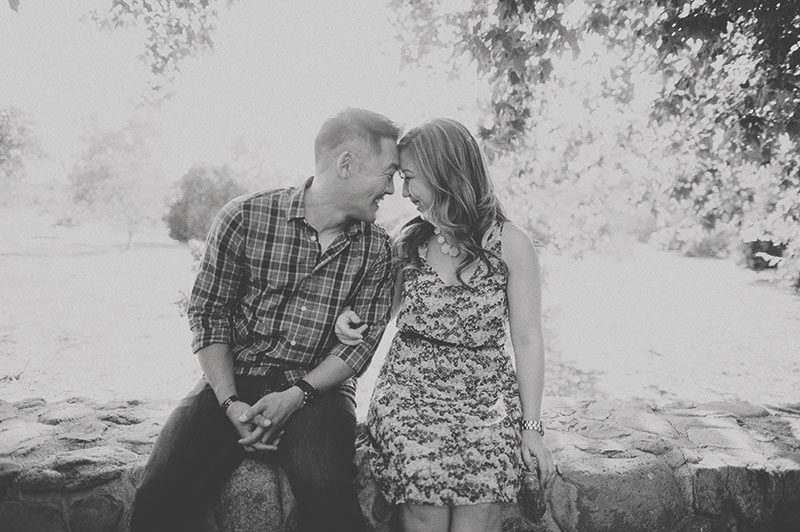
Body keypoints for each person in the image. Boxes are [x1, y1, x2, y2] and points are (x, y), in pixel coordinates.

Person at [130, 107, 401, 532]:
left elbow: (358, 347)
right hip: (235, 378)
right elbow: (209, 313)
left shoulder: (377, 249)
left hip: (319, 390)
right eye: (387, 173)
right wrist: (229, 402)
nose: (391, 189)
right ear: (346, 164)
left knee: (327, 495)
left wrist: (295, 397)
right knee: (158, 500)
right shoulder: (244, 217)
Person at [335, 118, 556, 532]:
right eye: (400, 178)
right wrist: (350, 318)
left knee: (483, 489)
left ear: (445, 173)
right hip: (409, 388)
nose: (402, 192)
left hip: (485, 393)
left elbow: (527, 340)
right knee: (423, 496)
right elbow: (377, 313)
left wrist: (531, 428)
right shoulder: (410, 242)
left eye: (411, 178)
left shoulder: (510, 243)